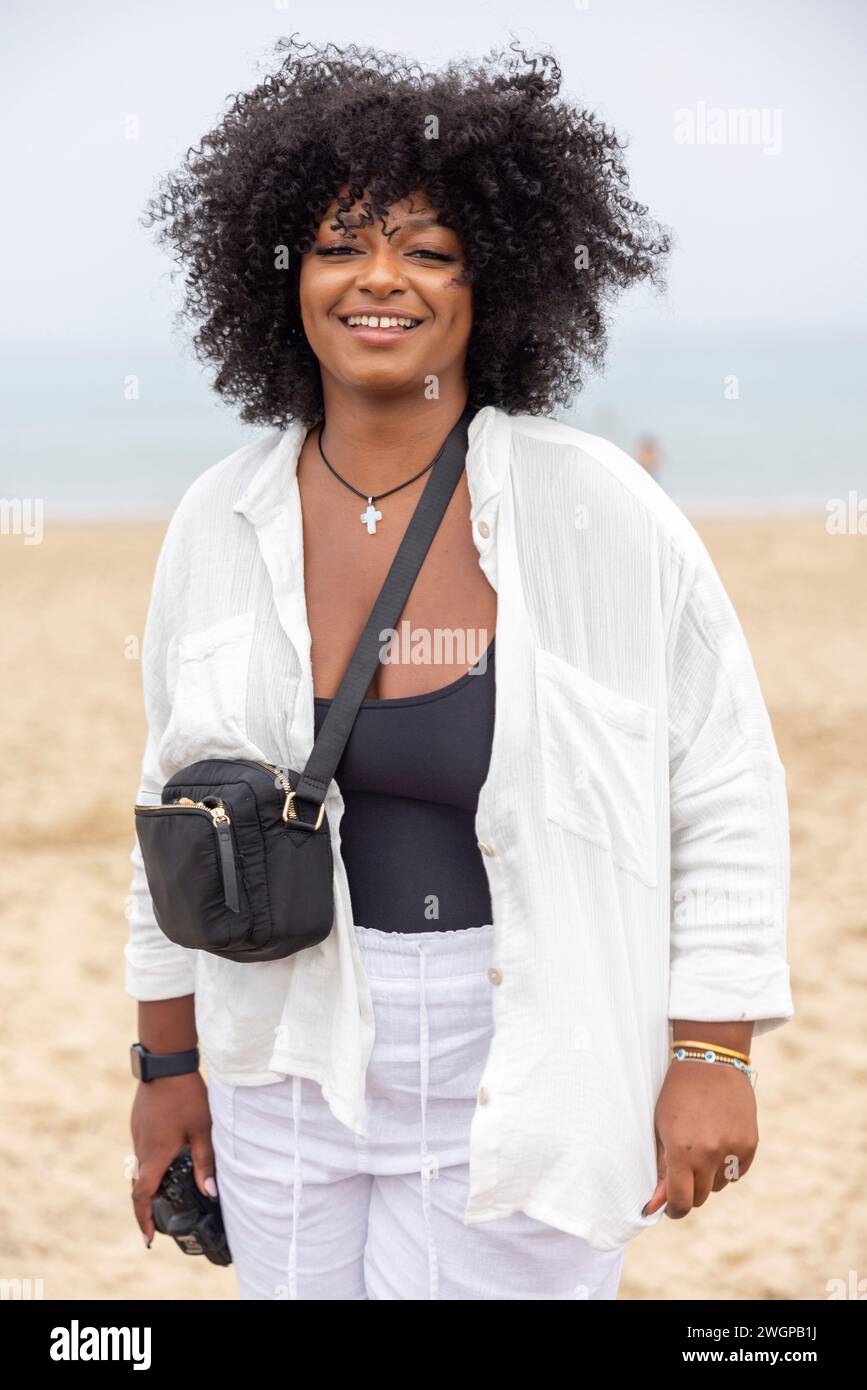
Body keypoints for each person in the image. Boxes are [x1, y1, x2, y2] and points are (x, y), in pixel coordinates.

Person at [126, 36, 794, 1301]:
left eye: (429, 250)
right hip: (280, 1053)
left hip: (525, 1042)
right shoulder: (216, 522)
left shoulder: (596, 507)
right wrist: (167, 1073)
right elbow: (165, 819)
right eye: (340, 246)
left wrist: (716, 1046)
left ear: (500, 284)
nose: (381, 279)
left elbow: (724, 784)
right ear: (282, 277)